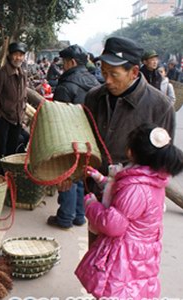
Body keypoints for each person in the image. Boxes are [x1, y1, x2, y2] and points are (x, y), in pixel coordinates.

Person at [84, 36, 175, 245]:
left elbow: (162, 166)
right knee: (96, 262)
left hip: (135, 208)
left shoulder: (160, 107)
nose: (107, 80)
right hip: (98, 196)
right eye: (104, 72)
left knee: (127, 266)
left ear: (134, 72)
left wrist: (128, 188)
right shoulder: (93, 98)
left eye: (114, 74)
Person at [75, 124, 183, 298]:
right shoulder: (152, 180)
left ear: (131, 152)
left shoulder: (135, 188)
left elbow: (112, 225)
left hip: (124, 255)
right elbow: (120, 199)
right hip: (140, 254)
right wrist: (100, 178)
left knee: (118, 292)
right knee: (134, 291)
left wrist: (91, 204)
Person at [46, 44, 100, 229]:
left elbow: (58, 117)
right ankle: (79, 215)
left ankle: (65, 217)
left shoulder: (67, 85)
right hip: (90, 138)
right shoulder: (94, 81)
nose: (62, 65)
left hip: (69, 137)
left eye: (64, 62)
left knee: (67, 174)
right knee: (80, 175)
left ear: (72, 62)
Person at [0, 42, 28, 175]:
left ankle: (8, 179)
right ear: (10, 56)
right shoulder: (1, 74)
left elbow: (23, 97)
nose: (18, 58)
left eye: (21, 55)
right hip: (3, 120)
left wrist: (22, 115)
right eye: (16, 54)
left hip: (16, 121)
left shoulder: (22, 74)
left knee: (12, 153)